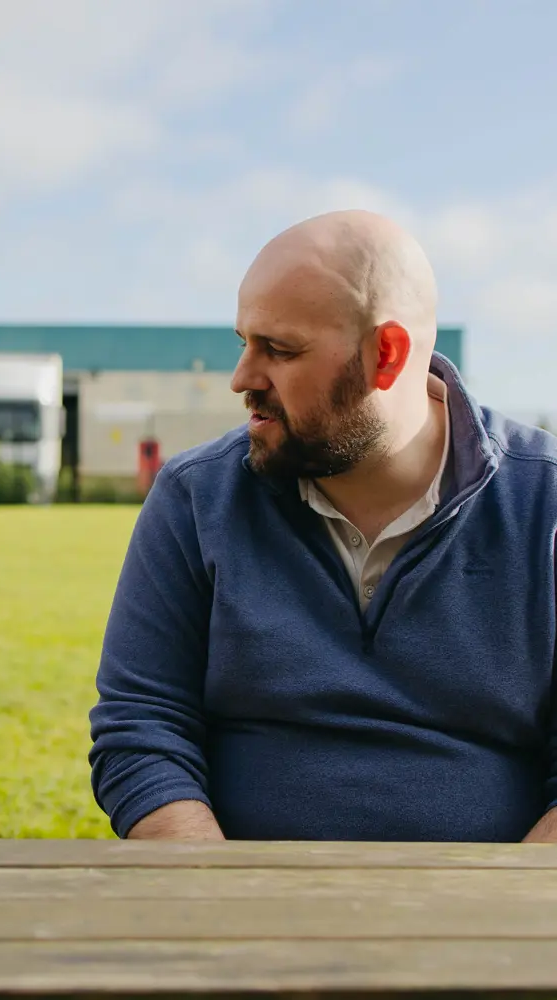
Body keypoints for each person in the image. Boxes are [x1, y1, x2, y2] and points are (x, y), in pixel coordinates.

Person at [89, 209, 557, 843]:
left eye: (279, 350)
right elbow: (142, 729)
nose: (242, 379)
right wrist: (212, 893)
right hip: (236, 908)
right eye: (243, 342)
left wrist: (490, 916)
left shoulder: (544, 504)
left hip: (485, 921)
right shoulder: (196, 499)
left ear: (386, 355)